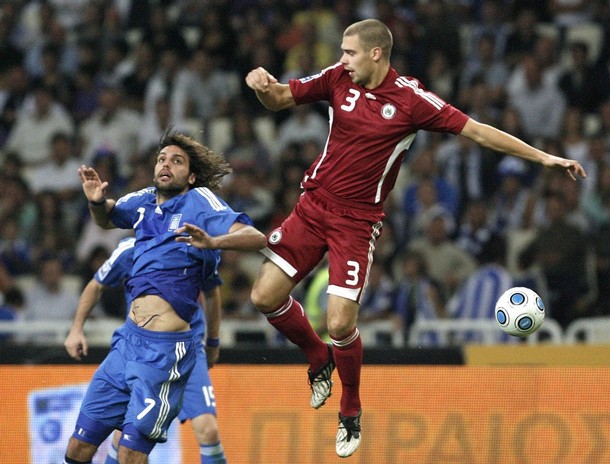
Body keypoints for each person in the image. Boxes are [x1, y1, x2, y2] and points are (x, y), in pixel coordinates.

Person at [245, 18, 586, 458]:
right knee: (264, 297)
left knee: (340, 324)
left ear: (376, 53)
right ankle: (317, 357)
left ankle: (350, 408)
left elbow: (478, 131)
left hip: (356, 222)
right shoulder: (336, 78)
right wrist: (261, 86)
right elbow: (277, 98)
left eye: (349, 52)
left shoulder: (411, 100)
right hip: (312, 207)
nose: (342, 59)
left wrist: (543, 158)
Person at [64, 129, 266, 464]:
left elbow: (256, 237)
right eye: (161, 159)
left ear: (192, 175)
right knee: (77, 449)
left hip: (165, 351)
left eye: (177, 161)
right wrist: (96, 202)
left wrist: (214, 242)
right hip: (126, 343)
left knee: (132, 452)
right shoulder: (143, 202)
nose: (166, 165)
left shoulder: (198, 202)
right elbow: (106, 219)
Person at [64, 237, 228, 464]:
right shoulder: (130, 250)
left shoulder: (193, 246)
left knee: (208, 430)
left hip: (185, 348)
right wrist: (76, 329)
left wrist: (213, 342)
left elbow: (211, 291)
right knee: (122, 439)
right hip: (138, 350)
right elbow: (96, 284)